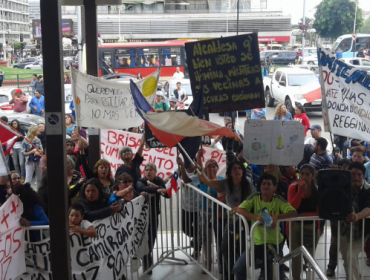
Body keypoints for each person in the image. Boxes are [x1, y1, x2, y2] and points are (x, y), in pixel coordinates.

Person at [233, 174, 297, 280]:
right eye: (263, 184)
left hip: (273, 245)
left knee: (267, 276)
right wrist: (256, 217)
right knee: (238, 268)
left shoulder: (278, 199)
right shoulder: (255, 197)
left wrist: (277, 216)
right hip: (256, 243)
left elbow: (293, 213)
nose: (265, 186)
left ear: (274, 188)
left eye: (269, 184)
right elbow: (240, 209)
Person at [199, 161, 255, 278]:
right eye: (234, 168)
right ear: (229, 173)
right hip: (230, 222)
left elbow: (254, 201)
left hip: (245, 223)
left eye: (239, 168)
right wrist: (199, 166)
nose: (237, 171)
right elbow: (207, 181)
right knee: (225, 248)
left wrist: (241, 207)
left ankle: (239, 272)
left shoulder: (248, 184)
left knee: (241, 249)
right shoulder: (225, 183)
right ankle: (232, 271)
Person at [136, 163, 170, 273]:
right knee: (143, 238)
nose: (148, 172)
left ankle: (147, 256)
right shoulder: (141, 181)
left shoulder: (159, 181)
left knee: (152, 238)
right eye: (146, 170)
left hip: (154, 214)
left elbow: (167, 194)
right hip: (141, 216)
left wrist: (157, 188)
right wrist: (156, 190)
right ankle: (146, 259)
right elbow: (141, 187)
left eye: (151, 170)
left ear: (155, 172)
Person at [339, 162, 370, 280]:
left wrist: (357, 216)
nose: (356, 177)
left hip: (361, 233)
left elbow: (369, 208)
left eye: (359, 175)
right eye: (353, 174)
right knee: (347, 260)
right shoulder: (343, 187)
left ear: (364, 176)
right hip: (344, 230)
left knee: (351, 256)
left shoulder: (368, 190)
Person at [287, 164, 319, 280]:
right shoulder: (293, 188)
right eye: (302, 174)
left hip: (311, 227)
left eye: (307, 174)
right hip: (295, 227)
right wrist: (300, 192)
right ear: (298, 175)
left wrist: (305, 215)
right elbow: (291, 208)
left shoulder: (317, 191)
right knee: (296, 258)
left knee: (309, 257)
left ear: (313, 176)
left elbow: (319, 213)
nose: (304, 176)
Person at [197, 151, 224, 274]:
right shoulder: (203, 180)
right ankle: (208, 264)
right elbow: (199, 170)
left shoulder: (222, 180)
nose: (211, 167)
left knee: (220, 241)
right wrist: (199, 157)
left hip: (218, 216)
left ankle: (222, 264)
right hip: (205, 215)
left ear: (218, 168)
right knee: (206, 241)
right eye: (209, 165)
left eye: (214, 166)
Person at [22, 125, 43, 190]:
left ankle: (38, 193)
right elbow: (23, 153)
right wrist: (31, 152)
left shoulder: (38, 140)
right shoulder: (25, 140)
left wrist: (38, 152)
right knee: (28, 179)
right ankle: (26, 193)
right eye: (37, 130)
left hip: (38, 160)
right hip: (29, 161)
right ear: (33, 131)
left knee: (39, 178)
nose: (38, 131)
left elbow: (41, 149)